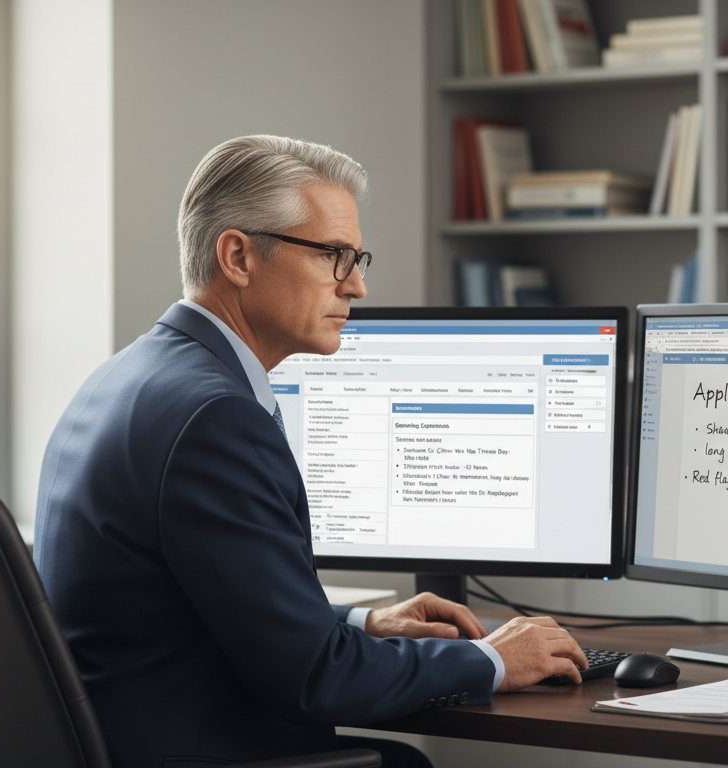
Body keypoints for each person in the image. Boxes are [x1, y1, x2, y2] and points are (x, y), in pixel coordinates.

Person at [33, 135, 588, 768]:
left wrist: (362, 623)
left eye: (358, 259)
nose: (358, 287)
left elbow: (194, 601)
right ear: (238, 256)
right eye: (333, 256)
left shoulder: (127, 376)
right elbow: (315, 678)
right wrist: (492, 659)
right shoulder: (216, 418)